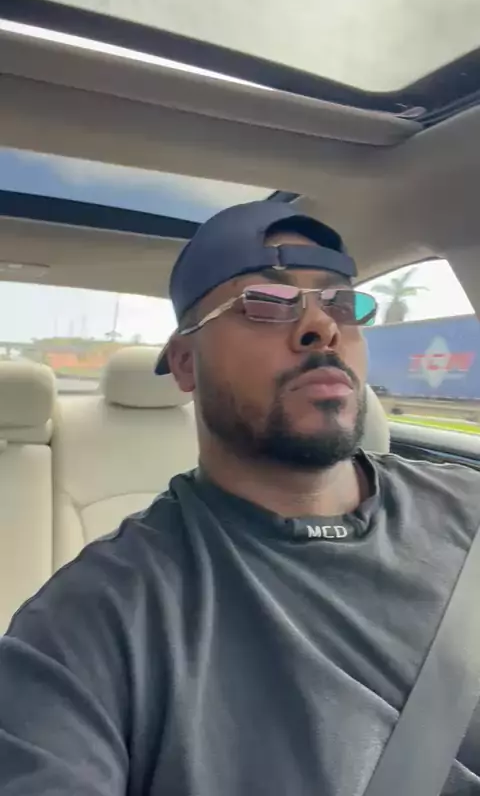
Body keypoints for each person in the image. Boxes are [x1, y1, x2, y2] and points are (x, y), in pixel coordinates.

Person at [0, 201, 479, 795]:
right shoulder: (94, 619)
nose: (322, 326)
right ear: (185, 362)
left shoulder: (469, 508)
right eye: (266, 301)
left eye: (341, 303)